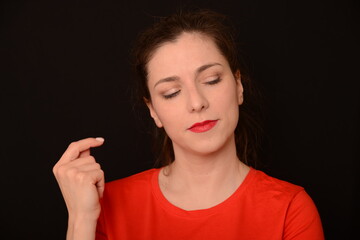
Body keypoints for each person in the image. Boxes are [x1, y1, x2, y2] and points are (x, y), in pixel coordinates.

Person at [53, 9, 324, 240]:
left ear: (239, 86)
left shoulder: (290, 208)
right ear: (153, 111)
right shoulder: (104, 206)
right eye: (171, 92)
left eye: (211, 80)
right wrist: (80, 219)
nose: (197, 103)